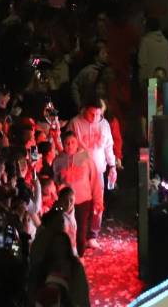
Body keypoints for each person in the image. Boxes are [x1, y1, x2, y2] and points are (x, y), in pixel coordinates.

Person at [67, 99, 117, 249]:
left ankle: (92, 235)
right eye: (91, 114)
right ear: (84, 110)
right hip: (79, 170)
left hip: (99, 170)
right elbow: (69, 145)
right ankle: (75, 234)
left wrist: (112, 166)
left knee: (98, 204)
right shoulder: (75, 122)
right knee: (78, 203)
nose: (94, 118)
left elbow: (109, 147)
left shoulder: (104, 124)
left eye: (98, 114)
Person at [53, 132, 98, 255]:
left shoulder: (85, 157)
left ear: (77, 142)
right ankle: (68, 256)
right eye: (67, 143)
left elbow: (94, 179)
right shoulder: (58, 160)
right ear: (63, 144)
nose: (70, 145)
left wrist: (97, 200)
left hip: (83, 199)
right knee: (66, 230)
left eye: (72, 142)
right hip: (66, 201)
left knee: (81, 230)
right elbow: (55, 180)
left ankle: (80, 256)